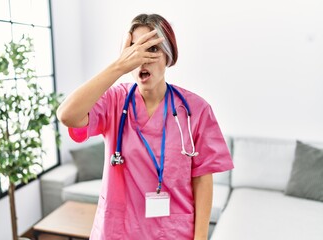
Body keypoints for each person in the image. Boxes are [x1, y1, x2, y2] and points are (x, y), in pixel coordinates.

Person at [57, 13, 233, 240]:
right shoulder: (113, 102)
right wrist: (118, 67)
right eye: (134, 50)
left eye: (151, 49)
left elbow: (202, 180)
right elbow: (67, 115)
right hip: (117, 231)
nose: (142, 59)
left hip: (173, 233)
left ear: (168, 56)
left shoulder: (195, 110)